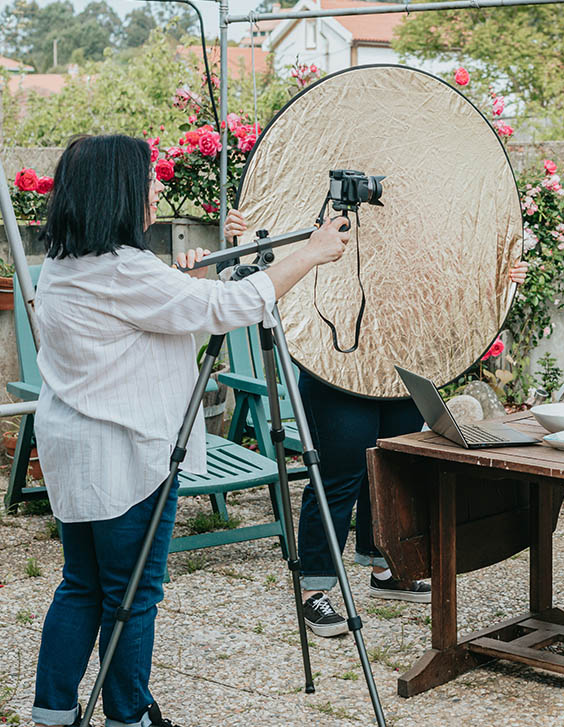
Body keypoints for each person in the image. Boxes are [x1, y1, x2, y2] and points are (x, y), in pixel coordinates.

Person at [30, 134, 349, 727]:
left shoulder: (66, 264)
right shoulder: (123, 271)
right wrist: (309, 252)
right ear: (119, 193)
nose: (157, 190)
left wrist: (186, 280)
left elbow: (168, 304)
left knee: (82, 583)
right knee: (132, 593)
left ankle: (51, 712)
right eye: (148, 181)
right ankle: (128, 716)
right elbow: (227, 308)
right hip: (128, 454)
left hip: (76, 448)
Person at [225, 212, 528, 637]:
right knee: (338, 475)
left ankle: (385, 568)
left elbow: (451, 259)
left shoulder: (417, 205)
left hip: (402, 353)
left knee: (393, 467)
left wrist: (500, 273)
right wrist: (251, 222)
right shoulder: (319, 193)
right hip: (332, 358)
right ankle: (315, 588)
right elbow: (277, 242)